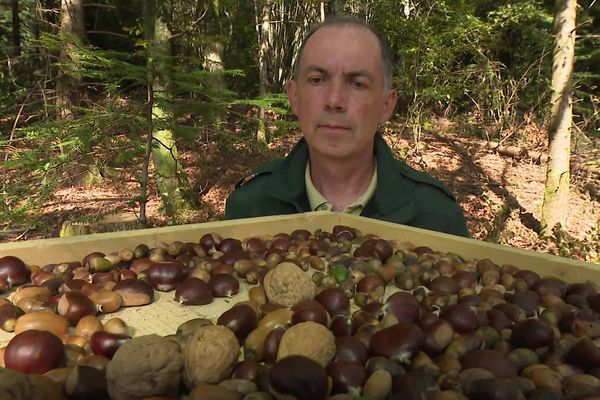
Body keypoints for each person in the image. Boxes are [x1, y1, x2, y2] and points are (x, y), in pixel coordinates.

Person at [225, 16, 469, 237]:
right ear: (295, 97)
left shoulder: (436, 217)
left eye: (358, 84)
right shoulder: (251, 206)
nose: (334, 101)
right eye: (317, 80)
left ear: (386, 105)